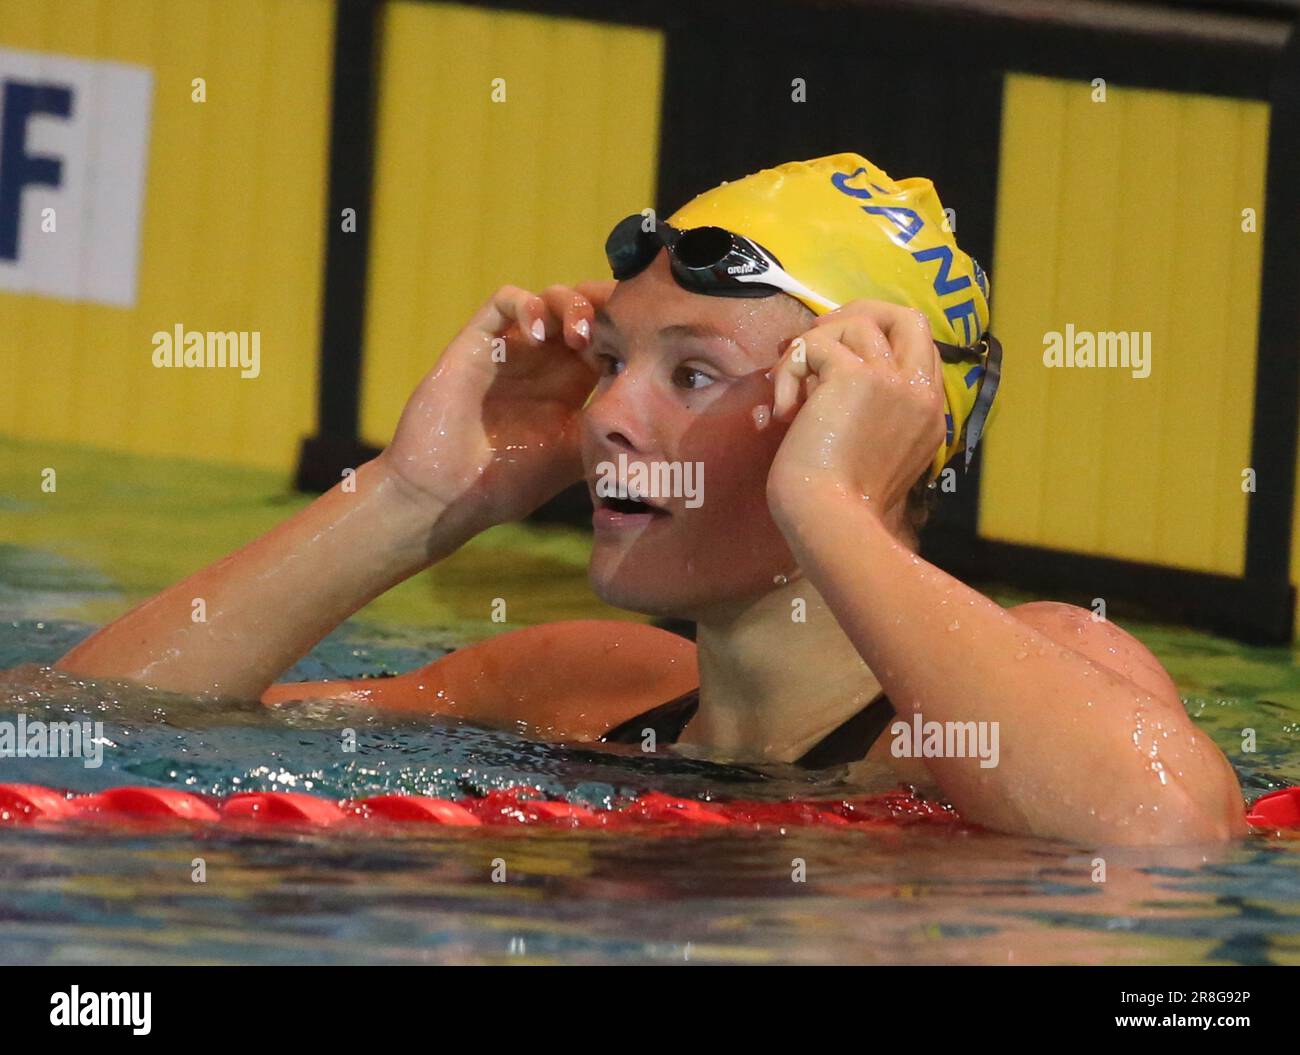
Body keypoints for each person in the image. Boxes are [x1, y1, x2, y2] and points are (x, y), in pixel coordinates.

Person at [53, 153, 1246, 844]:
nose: (612, 415)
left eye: (692, 373)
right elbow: (80, 723)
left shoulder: (1033, 679)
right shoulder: (576, 687)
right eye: (614, 360)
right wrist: (414, 498)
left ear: (856, 412)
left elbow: (1162, 832)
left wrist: (828, 505)